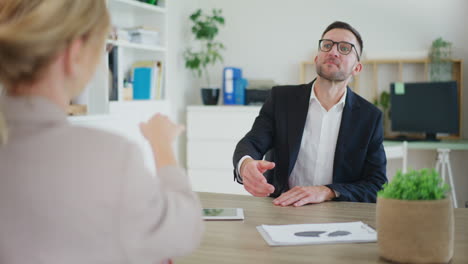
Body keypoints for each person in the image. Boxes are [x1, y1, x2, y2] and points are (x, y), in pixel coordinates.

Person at [0, 1, 203, 263]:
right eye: (103, 47)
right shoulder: (111, 158)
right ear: (74, 55)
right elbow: (185, 230)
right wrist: (162, 143)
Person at [233, 21, 387, 206]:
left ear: (357, 68)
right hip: (283, 209)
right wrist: (246, 165)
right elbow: (251, 143)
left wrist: (328, 191)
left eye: (345, 48)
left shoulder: (370, 118)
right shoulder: (281, 99)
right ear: (317, 57)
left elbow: (377, 185)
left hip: (339, 216)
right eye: (327, 45)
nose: (333, 52)